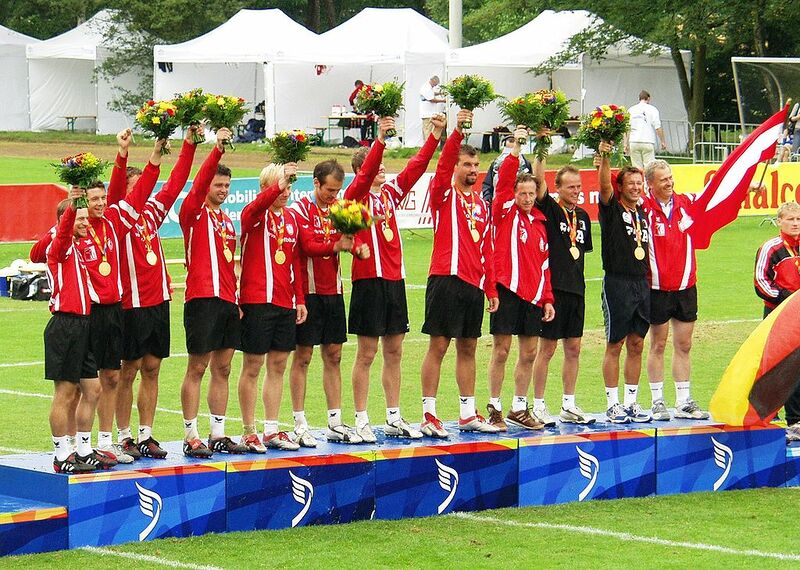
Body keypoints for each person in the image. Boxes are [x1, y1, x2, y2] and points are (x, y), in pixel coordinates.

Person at [345, 115, 445, 441]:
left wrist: (433, 137)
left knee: (395, 351)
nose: (383, 168)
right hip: (368, 280)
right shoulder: (354, 197)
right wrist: (380, 141)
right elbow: (362, 179)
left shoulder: (388, 195)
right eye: (378, 164)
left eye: (384, 163)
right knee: (367, 353)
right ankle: (361, 418)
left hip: (394, 279)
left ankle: (393, 416)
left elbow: (415, 169)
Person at [107, 126, 202, 459]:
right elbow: (118, 188)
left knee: (152, 368)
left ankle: (146, 434)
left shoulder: (152, 214)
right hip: (129, 304)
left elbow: (175, 183)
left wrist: (188, 145)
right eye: (135, 190)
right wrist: (124, 154)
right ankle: (123, 436)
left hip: (158, 302)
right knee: (127, 370)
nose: (141, 195)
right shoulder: (116, 216)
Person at [73, 135, 162, 463]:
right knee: (79, 384)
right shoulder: (76, 228)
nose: (99, 204)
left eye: (102, 198)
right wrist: (120, 156)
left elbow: (143, 189)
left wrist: (147, 153)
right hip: (86, 314)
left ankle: (106, 442)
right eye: (93, 199)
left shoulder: (114, 223)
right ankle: (72, 445)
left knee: (111, 377)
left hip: (114, 312)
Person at [419, 109, 500, 438]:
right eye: (466, 165)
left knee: (468, 347)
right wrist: (456, 131)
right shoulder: (443, 194)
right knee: (438, 346)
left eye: (476, 166)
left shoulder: (482, 205)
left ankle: (467, 412)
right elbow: (440, 167)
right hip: (445, 279)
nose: (473, 171)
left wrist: (491, 289)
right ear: (454, 167)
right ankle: (429, 413)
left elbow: (488, 250)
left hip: (473, 285)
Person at [289, 149, 373, 445]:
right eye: (328, 190)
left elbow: (354, 238)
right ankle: (299, 422)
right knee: (303, 356)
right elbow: (308, 245)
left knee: (334, 355)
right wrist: (337, 245)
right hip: (308, 293)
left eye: (337, 190)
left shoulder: (341, 209)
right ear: (315, 183)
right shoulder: (299, 209)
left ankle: (335, 421)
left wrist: (358, 248)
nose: (332, 195)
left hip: (334, 292)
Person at [178, 127, 247, 458]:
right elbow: (197, 184)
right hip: (202, 299)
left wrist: (236, 301)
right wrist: (216, 149)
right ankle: (190, 434)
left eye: (226, 186)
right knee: (198, 367)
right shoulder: (193, 214)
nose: (223, 190)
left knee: (223, 368)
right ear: (205, 186)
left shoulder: (227, 221)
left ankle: (217, 432)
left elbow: (230, 264)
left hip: (226, 301)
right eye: (218, 185)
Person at [485, 126, 554, 431]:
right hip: (506, 290)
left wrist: (548, 297)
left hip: (534, 295)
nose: (527, 198)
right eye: (522, 193)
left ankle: (518, 407)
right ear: (513, 194)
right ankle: (494, 407)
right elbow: (501, 186)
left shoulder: (540, 221)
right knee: (501, 350)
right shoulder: (503, 212)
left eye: (531, 193)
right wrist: (516, 148)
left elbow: (544, 265)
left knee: (529, 352)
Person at [236, 161, 307, 452]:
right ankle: (248, 430)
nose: (285, 191)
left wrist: (300, 298)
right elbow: (256, 208)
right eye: (280, 185)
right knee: (253, 366)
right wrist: (278, 181)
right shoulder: (253, 215)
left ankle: (271, 429)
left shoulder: (291, 219)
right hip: (256, 300)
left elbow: (296, 262)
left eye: (289, 186)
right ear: (265, 188)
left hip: (284, 301)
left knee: (278, 365)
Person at [46, 189, 116, 473]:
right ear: (66, 219)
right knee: (65, 392)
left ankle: (84, 449)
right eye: (80, 218)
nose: (87, 223)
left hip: (84, 324)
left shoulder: (79, 247)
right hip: (64, 325)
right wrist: (74, 204)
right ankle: (62, 455)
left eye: (87, 218)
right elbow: (61, 234)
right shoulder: (58, 247)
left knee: (93, 388)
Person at [641, 159, 710, 421]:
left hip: (685, 286)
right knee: (657, 344)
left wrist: (746, 188)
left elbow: (714, 193)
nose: (669, 183)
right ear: (650, 183)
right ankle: (658, 400)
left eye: (670, 177)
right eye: (663, 179)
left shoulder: (686, 202)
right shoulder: (643, 207)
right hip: (657, 287)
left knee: (684, 344)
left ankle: (683, 401)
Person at [531, 160, 596, 426]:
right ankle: (538, 405)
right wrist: (542, 149)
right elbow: (538, 182)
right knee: (547, 349)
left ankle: (568, 404)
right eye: (570, 187)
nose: (576, 191)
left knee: (574, 348)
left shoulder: (582, 217)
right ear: (556, 188)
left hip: (576, 290)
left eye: (579, 187)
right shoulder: (550, 209)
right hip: (552, 290)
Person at [597, 141, 652, 423]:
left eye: (639, 183)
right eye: (630, 183)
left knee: (637, 343)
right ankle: (612, 404)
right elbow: (604, 186)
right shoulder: (611, 209)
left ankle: (631, 402)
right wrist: (605, 155)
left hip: (640, 283)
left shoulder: (642, 212)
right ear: (621, 187)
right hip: (617, 282)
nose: (635, 187)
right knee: (615, 343)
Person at [754, 201, 800, 439]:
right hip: (777, 314)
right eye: (790, 219)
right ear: (779, 221)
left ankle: (796, 420)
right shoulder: (771, 248)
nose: (795, 223)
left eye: (798, 219)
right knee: (775, 366)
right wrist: (786, 300)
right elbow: (760, 282)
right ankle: (768, 415)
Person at [481, 134, 532, 209]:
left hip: (521, 206)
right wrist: (488, 197)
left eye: (514, 141)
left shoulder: (525, 163)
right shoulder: (496, 163)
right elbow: (487, 184)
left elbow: (532, 184)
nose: (513, 143)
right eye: (510, 141)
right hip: (500, 206)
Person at [625, 90, 667, 169]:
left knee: (637, 168)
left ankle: (639, 181)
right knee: (649, 168)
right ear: (648, 99)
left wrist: (625, 144)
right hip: (648, 141)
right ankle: (647, 181)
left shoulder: (631, 110)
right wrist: (663, 141)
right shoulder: (653, 109)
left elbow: (627, 128)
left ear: (639, 98)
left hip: (634, 141)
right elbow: (657, 127)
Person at [420, 76, 446, 140]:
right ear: (432, 81)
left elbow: (431, 94)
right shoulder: (427, 88)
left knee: (427, 130)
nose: (435, 86)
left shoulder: (428, 87)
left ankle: (426, 146)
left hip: (428, 113)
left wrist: (440, 93)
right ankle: (427, 146)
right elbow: (432, 99)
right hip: (427, 114)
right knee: (428, 131)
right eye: (435, 84)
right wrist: (443, 101)